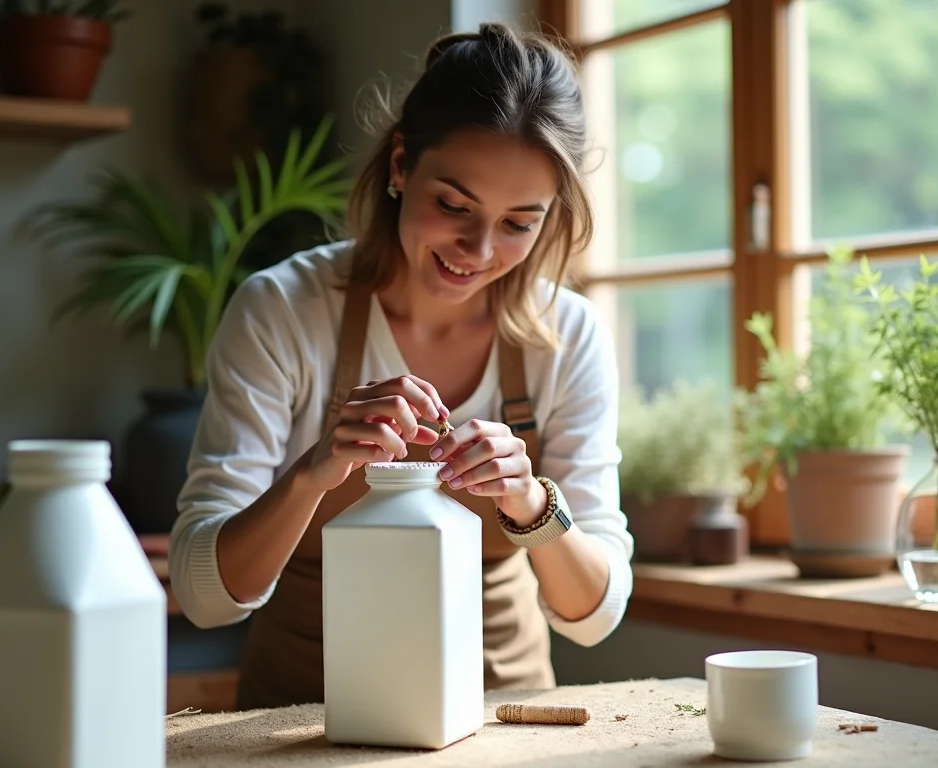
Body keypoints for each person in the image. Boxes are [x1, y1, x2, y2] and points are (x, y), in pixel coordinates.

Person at [168, 21, 634, 711]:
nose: (477, 249)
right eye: (453, 205)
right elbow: (205, 598)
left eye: (519, 222)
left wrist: (529, 503)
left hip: (502, 718)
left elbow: (595, 615)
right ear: (398, 165)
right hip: (302, 722)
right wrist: (313, 473)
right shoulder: (284, 310)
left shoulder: (567, 335)